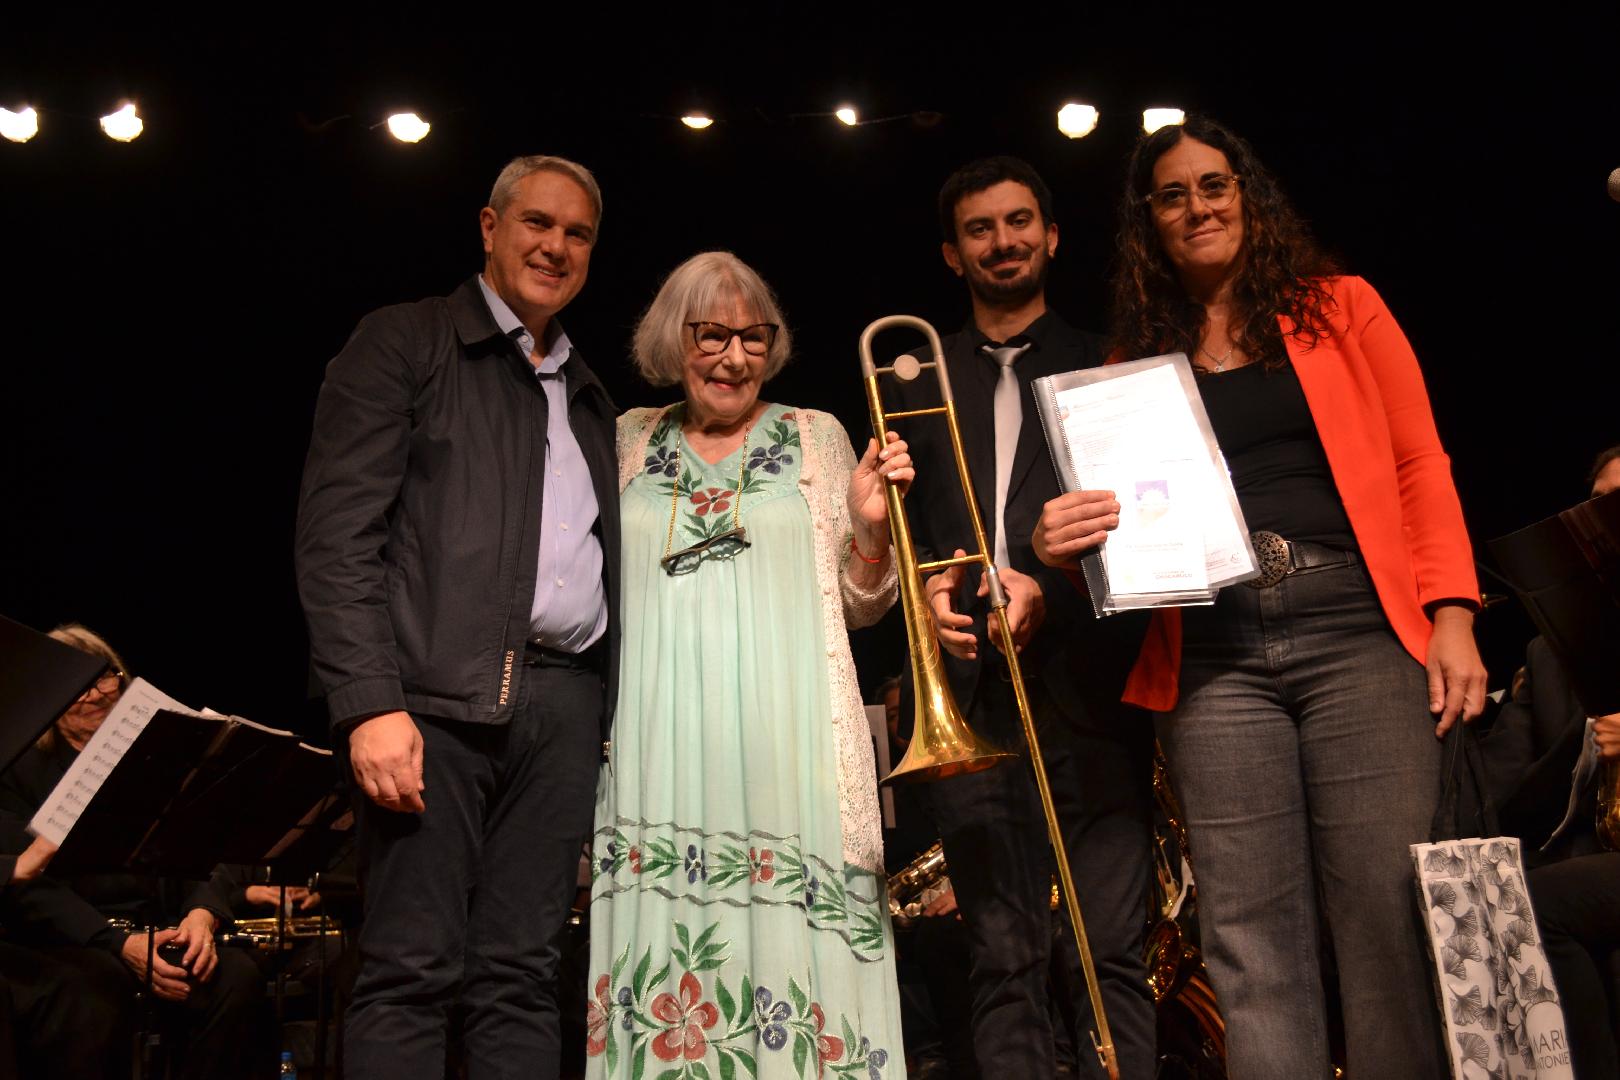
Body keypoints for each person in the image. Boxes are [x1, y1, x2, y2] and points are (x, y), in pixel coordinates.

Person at [1035, 116, 1487, 1078]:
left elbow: (1419, 462)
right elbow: (1120, 542)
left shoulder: (1344, 307)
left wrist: (1452, 612)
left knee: (1382, 914)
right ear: (1147, 222)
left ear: (1248, 195)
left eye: (1214, 184)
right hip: (1214, 656)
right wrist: (1061, 545)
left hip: (1358, 632)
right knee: (1249, 936)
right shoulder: (1126, 371)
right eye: (1171, 194)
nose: (1196, 205)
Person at [294, 154, 619, 1077]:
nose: (555, 247)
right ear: (489, 226)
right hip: (428, 704)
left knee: (521, 975)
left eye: (577, 233)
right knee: (409, 970)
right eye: (537, 224)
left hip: (562, 710)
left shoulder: (590, 392)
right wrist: (367, 702)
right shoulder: (407, 342)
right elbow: (336, 537)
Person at [585, 251, 910, 1079]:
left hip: (787, 752)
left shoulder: (817, 436)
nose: (734, 356)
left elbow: (866, 601)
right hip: (660, 752)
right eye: (712, 335)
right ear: (672, 339)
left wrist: (872, 528)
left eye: (752, 336)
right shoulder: (625, 438)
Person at [891, 156, 1156, 1078]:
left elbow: (1154, 527)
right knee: (1002, 959)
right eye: (979, 229)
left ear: (1051, 235)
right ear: (951, 254)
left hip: (1090, 686)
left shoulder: (1113, 365)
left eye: (1018, 222)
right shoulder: (909, 376)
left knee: (1112, 954)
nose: (1001, 242)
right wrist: (923, 589)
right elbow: (899, 533)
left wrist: (1057, 580)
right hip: (968, 692)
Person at [0, 623, 260, 1079]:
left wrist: (202, 914)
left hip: (153, 927)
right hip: (69, 940)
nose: (97, 693)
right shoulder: (17, 767)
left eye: (105, 677)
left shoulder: (160, 753)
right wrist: (116, 943)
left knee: (234, 978)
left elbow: (203, 847)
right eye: (78, 686)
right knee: (93, 992)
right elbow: (26, 885)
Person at [1480, 447, 1620, 1078]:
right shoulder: (1547, 652)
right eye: (1600, 504)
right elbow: (1501, 792)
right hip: (1583, 861)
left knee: (1539, 902)